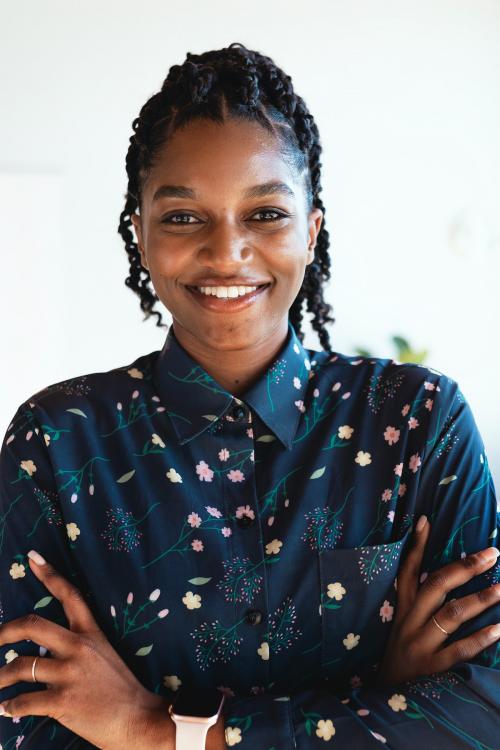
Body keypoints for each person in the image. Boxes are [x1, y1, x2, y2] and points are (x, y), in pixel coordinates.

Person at [0, 41, 499, 749]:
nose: (227, 251)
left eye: (265, 214)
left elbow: (485, 712)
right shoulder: (57, 443)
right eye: (182, 217)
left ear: (311, 231)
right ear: (138, 236)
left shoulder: (419, 423)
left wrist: (153, 730)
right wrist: (378, 701)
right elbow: (25, 730)